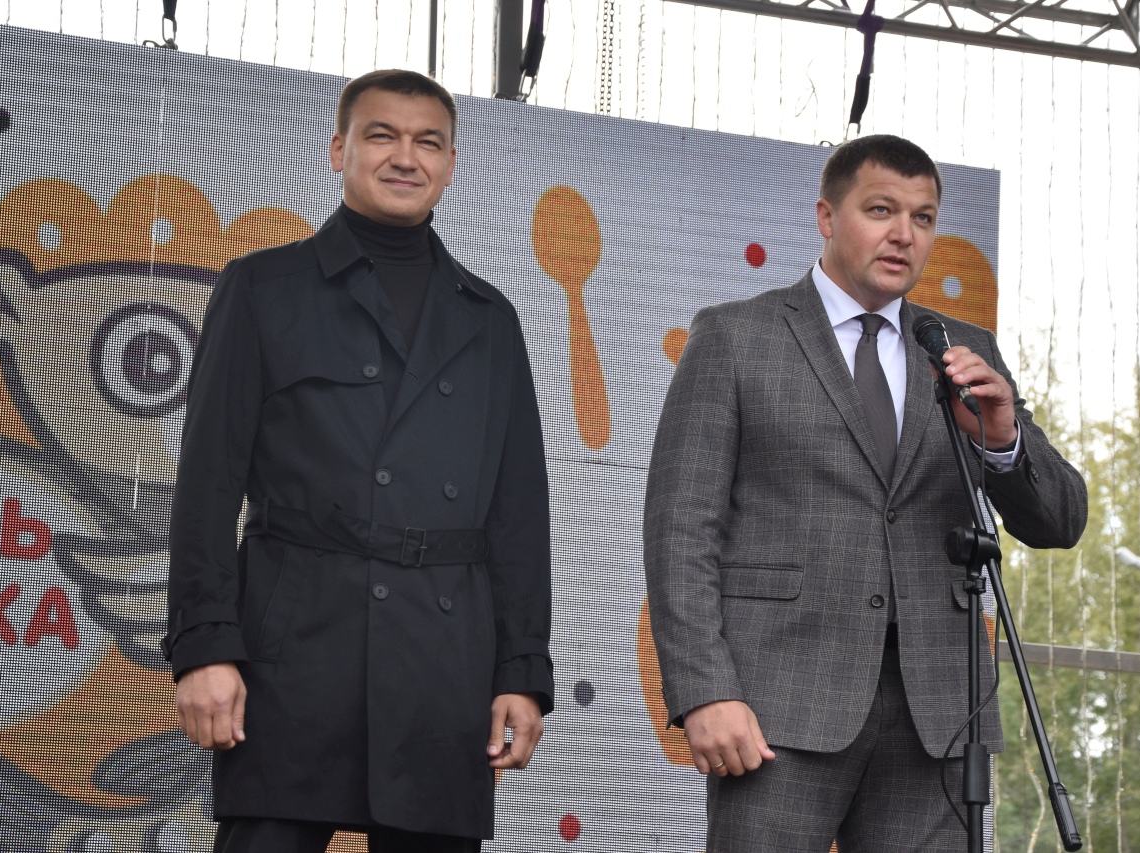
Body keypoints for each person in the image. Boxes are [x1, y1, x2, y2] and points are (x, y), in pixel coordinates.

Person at [643, 134, 1087, 851]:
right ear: (826, 215)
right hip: (778, 707)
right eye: (881, 210)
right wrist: (704, 690)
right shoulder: (736, 336)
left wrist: (1003, 436)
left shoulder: (961, 348)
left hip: (939, 714)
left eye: (923, 217)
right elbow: (680, 532)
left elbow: (1061, 520)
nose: (903, 233)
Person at [164, 69, 553, 853]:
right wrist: (204, 647)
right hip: (292, 654)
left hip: (441, 667)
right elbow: (206, 487)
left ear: (450, 164)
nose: (406, 157)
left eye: (428, 142)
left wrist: (521, 671)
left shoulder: (490, 319)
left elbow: (517, 515)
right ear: (339, 149)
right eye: (382, 135)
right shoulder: (262, 287)